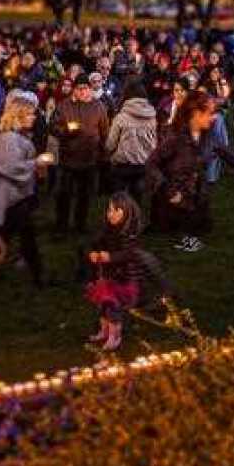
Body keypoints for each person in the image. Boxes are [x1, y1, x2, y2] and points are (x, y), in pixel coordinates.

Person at [146, 92, 234, 253]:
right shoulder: (175, 138)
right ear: (196, 114)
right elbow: (151, 163)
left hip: (195, 200)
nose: (214, 118)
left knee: (200, 231)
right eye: (210, 113)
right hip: (173, 201)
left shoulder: (207, 138)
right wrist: (167, 190)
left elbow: (228, 154)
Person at [84, 192, 149, 352]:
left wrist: (111, 257)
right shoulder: (107, 230)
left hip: (124, 280)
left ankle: (115, 337)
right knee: (103, 306)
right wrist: (93, 252)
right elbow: (94, 243)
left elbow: (129, 254)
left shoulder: (131, 235)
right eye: (109, 210)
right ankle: (104, 331)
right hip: (108, 277)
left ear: (127, 212)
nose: (110, 214)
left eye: (116, 210)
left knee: (113, 308)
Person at [0, 99, 45, 287]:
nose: (34, 117)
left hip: (16, 196)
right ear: (18, 115)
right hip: (11, 197)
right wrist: (35, 163)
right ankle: (38, 275)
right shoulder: (9, 139)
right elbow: (10, 167)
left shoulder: (16, 137)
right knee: (22, 235)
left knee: (10, 234)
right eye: (30, 114)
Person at [49, 77, 108, 235]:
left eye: (85, 88)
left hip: (89, 158)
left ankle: (80, 224)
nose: (82, 91)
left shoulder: (98, 106)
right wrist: (67, 130)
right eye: (79, 88)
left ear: (90, 89)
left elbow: (104, 131)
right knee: (64, 195)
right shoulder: (64, 106)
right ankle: (61, 226)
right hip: (68, 158)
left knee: (85, 195)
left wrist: (103, 153)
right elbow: (53, 127)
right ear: (74, 89)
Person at [105, 81, 157, 204]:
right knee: (137, 198)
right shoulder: (152, 116)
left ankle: (118, 220)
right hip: (143, 164)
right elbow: (154, 142)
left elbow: (111, 143)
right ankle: (135, 219)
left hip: (122, 164)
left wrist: (109, 154)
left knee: (118, 199)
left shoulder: (121, 117)